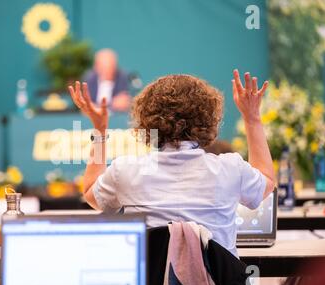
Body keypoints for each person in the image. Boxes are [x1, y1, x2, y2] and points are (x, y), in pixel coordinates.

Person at [68, 70, 275, 257]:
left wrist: (100, 130)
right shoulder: (231, 169)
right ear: (209, 119)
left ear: (146, 121)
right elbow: (267, 181)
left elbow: (90, 192)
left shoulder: (125, 171)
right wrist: (252, 118)